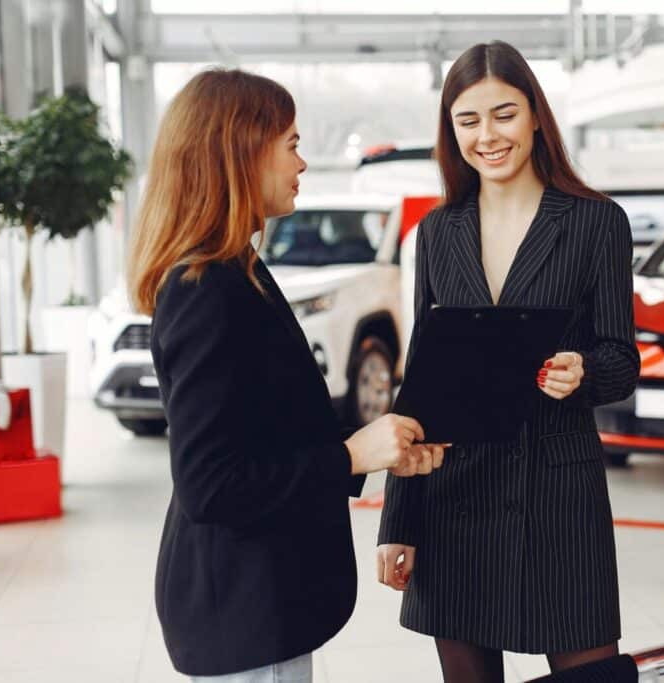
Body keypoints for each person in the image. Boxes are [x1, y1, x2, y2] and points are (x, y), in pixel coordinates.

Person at [127, 68, 446, 682]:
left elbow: (265, 427)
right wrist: (351, 456)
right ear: (240, 150)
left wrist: (374, 448)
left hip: (256, 600)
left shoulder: (237, 268)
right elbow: (210, 483)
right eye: (292, 144)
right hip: (241, 613)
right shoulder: (207, 288)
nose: (302, 164)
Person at [376, 42, 640, 682]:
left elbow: (621, 359)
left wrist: (583, 373)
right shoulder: (439, 231)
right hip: (454, 493)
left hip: (557, 492)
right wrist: (397, 521)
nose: (487, 136)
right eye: (468, 121)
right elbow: (423, 381)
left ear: (535, 118)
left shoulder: (595, 222)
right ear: (451, 131)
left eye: (504, 114)